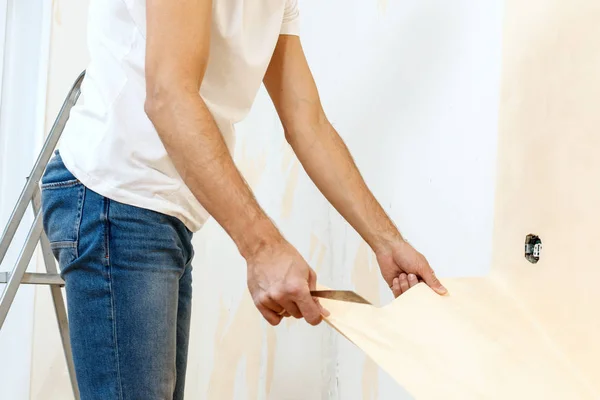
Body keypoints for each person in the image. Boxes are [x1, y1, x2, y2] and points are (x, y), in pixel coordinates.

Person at [40, 0, 448, 398]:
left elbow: (308, 123)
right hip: (114, 196)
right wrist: (263, 247)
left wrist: (387, 241)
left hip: (162, 210)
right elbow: (169, 96)